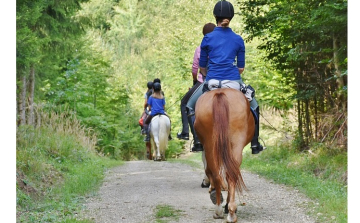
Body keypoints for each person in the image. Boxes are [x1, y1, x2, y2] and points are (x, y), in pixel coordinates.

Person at [186, 0, 264, 154]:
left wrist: (209, 74)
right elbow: (241, 68)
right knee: (254, 107)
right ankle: (255, 144)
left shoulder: (207, 38)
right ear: (231, 17)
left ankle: (198, 142)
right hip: (234, 82)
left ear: (215, 16)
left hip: (212, 81)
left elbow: (202, 67)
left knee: (189, 106)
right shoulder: (238, 39)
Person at [177, 23, 216, 151]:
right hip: (224, 79)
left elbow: (195, 68)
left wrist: (195, 80)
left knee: (185, 104)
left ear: (203, 34)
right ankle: (254, 139)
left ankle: (190, 135)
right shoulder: (220, 47)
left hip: (204, 81)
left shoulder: (200, 48)